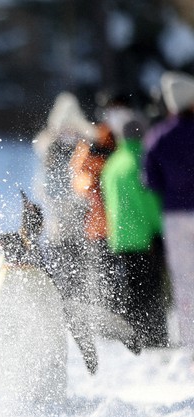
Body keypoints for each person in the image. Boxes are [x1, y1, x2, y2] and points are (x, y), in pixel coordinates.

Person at [100, 118, 168, 347]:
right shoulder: (142, 160)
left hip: (119, 236)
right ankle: (155, 338)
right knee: (151, 289)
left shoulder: (112, 164)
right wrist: (159, 230)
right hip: (144, 236)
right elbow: (150, 201)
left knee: (131, 288)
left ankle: (134, 336)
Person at [143, 71, 194, 349]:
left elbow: (150, 180)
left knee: (185, 281)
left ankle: (191, 344)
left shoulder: (159, 135)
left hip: (175, 214)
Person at [33, 92, 94, 300]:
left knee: (82, 276)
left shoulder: (84, 148)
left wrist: (80, 202)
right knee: (62, 274)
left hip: (82, 222)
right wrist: (65, 203)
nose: (68, 132)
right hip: (58, 225)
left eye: (72, 127)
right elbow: (46, 188)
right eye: (64, 128)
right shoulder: (50, 151)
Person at [69, 121, 116, 307]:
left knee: (107, 276)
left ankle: (106, 306)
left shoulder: (106, 150)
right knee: (102, 274)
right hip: (100, 228)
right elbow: (81, 185)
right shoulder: (89, 151)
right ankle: (102, 306)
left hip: (109, 227)